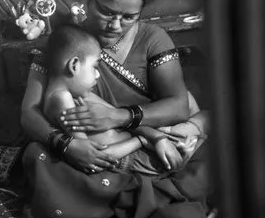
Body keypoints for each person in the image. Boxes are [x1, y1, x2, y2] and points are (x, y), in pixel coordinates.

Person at [19, 0, 210, 218]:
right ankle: (155, 196)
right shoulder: (67, 42)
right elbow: (29, 114)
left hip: (143, 141)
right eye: (107, 12)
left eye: (129, 17)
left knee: (228, 148)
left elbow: (178, 105)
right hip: (92, 153)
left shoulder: (153, 39)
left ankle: (132, 196)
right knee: (36, 156)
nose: (116, 25)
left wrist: (124, 118)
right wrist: (68, 145)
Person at [41, 24, 205, 176]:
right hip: (129, 158)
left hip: (138, 143)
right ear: (74, 65)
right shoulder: (61, 99)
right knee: (205, 130)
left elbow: (120, 120)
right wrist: (142, 140)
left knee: (190, 105)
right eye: (94, 67)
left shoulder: (79, 94)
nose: (98, 75)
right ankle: (190, 140)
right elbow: (94, 156)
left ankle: (185, 137)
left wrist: (156, 138)